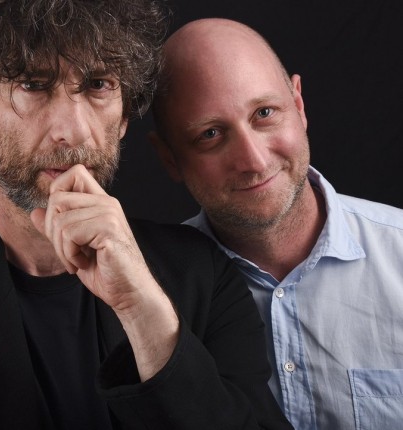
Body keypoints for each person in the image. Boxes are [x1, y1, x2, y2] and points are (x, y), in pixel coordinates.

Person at [0, 1, 293, 429]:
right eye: (32, 85)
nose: (71, 130)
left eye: (98, 85)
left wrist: (143, 310)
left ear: (124, 117)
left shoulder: (202, 274)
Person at [149, 17, 403, 430]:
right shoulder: (150, 295)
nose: (253, 160)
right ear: (169, 159)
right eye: (211, 134)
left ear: (299, 106)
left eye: (264, 113)